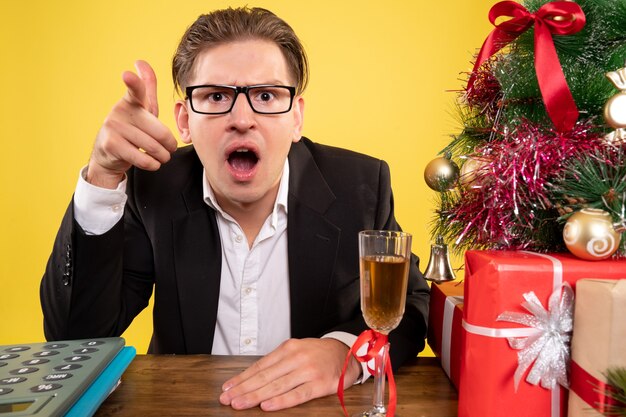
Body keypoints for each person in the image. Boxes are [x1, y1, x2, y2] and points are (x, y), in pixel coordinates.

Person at [40, 6, 430, 411]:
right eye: (216, 96)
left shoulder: (360, 186)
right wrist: (102, 177)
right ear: (185, 120)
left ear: (296, 117)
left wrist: (344, 353)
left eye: (266, 95)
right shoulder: (152, 187)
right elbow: (76, 338)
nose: (242, 119)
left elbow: (414, 305)